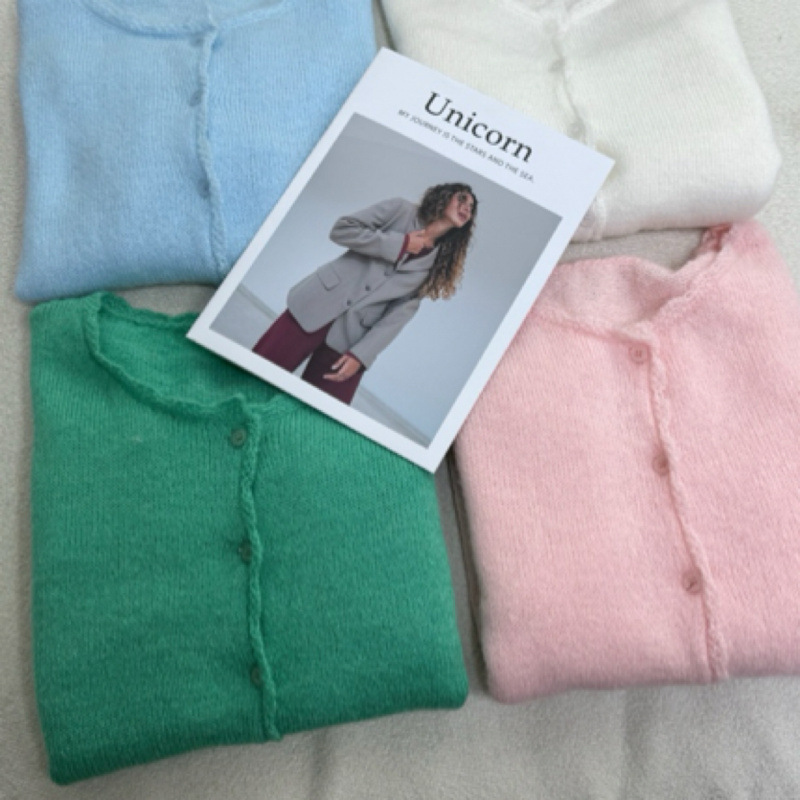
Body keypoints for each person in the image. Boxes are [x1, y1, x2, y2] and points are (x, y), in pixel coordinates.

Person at [252, 182, 478, 404]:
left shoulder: (439, 261)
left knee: (318, 416)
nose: (466, 208)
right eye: (462, 199)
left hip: (353, 338)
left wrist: (362, 355)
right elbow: (342, 229)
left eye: (471, 207)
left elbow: (401, 313)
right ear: (443, 196)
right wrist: (400, 243)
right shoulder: (400, 210)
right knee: (253, 379)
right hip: (317, 304)